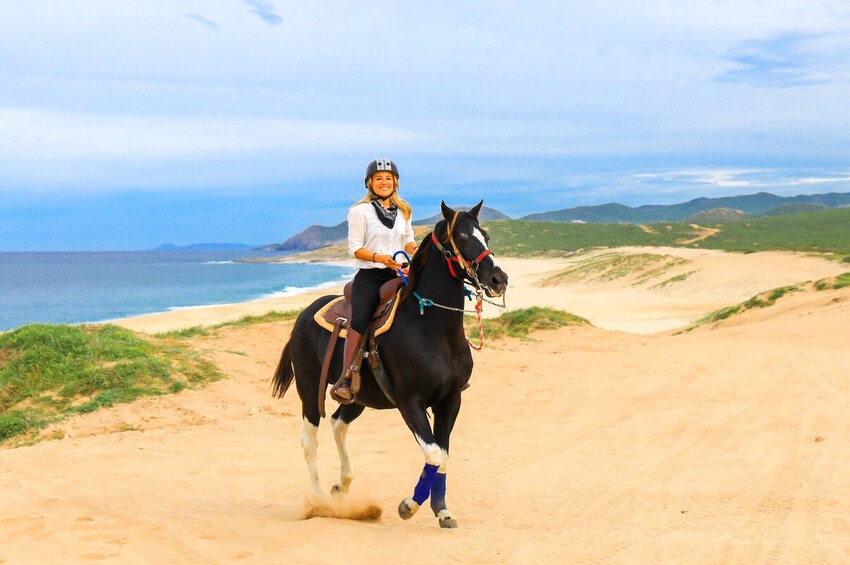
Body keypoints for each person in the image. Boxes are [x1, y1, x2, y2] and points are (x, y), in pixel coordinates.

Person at [331, 158, 417, 403]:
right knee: (361, 318)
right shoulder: (359, 211)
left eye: (388, 178)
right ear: (369, 183)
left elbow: (408, 241)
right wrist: (380, 257)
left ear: (395, 183)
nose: (384, 182)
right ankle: (346, 376)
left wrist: (418, 252)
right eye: (378, 178)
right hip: (370, 275)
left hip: (397, 273)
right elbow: (354, 248)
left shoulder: (404, 211)